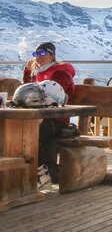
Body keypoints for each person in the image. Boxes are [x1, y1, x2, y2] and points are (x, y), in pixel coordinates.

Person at [23, 42, 77, 183]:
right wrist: (28, 71)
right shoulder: (39, 73)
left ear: (52, 55)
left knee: (36, 132)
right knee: (20, 130)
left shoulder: (60, 72)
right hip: (41, 118)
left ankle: (46, 171)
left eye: (42, 53)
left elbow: (60, 97)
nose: (38, 57)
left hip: (57, 120)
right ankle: (29, 172)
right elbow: (27, 92)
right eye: (36, 54)